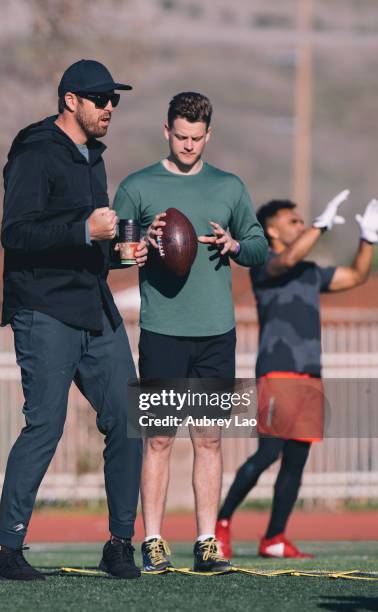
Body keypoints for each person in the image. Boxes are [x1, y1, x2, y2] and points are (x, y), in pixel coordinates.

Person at [0, 59, 148, 581]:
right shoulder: (34, 149)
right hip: (44, 308)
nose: (109, 108)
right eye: (100, 99)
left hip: (91, 303)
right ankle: (3, 552)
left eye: (114, 100)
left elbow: (93, 243)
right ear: (70, 101)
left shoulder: (92, 158)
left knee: (129, 417)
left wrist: (122, 255)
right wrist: (82, 229)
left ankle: (120, 544)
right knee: (44, 426)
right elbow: (17, 234)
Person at [113, 92, 268, 572]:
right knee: (158, 439)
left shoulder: (229, 186)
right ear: (166, 131)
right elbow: (117, 253)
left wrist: (235, 242)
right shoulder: (137, 186)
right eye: (180, 136)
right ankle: (154, 540)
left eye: (197, 138)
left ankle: (206, 541)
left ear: (209, 135)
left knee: (209, 439)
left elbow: (260, 248)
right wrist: (139, 247)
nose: (188, 145)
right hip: (162, 330)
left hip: (216, 332)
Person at [216, 193, 378, 558]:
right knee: (269, 452)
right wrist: (320, 226)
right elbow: (288, 258)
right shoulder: (265, 264)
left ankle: (274, 537)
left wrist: (368, 238)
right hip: (278, 370)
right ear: (271, 229)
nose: (301, 225)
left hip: (310, 374)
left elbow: (355, 275)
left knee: (297, 458)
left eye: (303, 222)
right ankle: (221, 523)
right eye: (294, 221)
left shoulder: (309, 271)